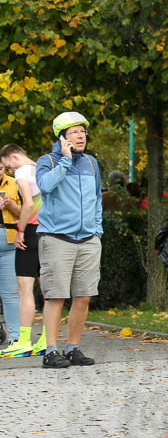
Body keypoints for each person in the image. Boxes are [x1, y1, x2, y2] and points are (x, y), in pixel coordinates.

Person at [34, 111, 102, 368]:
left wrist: (97, 230)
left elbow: (97, 199)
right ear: (62, 137)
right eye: (74, 132)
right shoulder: (48, 161)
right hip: (56, 238)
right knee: (56, 297)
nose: (80, 136)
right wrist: (65, 161)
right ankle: (51, 352)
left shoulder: (91, 163)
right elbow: (45, 186)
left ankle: (72, 348)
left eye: (83, 131)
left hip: (88, 239)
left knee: (83, 296)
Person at [0, 144, 46, 357]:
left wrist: (20, 230)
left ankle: (24, 341)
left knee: (24, 289)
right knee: (47, 290)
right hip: (47, 231)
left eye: (8, 166)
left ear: (15, 157)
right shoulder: (41, 168)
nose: (10, 170)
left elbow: (28, 204)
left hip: (30, 233)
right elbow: (40, 202)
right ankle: (46, 340)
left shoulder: (21, 172)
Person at [0, 160, 22, 350]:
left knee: (10, 293)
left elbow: (28, 212)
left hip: (9, 241)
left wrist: (10, 205)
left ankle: (16, 337)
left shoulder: (15, 183)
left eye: (0, 168)